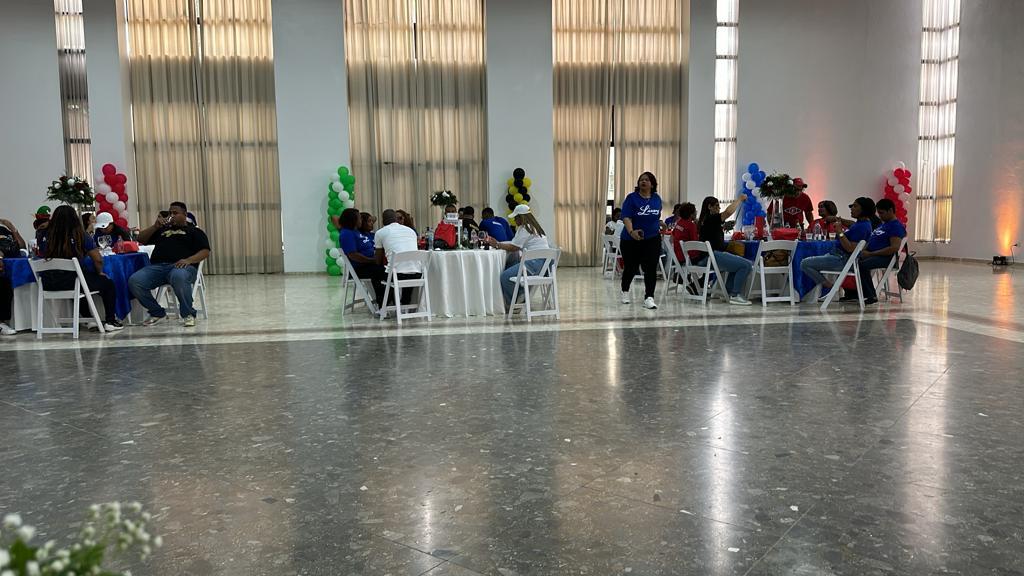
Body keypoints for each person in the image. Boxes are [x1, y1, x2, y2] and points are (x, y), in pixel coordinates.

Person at [38, 205, 123, 331]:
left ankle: (89, 319)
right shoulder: (80, 235)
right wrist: (100, 272)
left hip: (48, 282)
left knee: (80, 281)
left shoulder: (43, 234)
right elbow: (98, 259)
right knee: (106, 283)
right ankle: (110, 321)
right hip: (73, 281)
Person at [128, 201, 211, 327]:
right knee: (135, 281)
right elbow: (140, 239)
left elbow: (205, 251)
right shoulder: (162, 230)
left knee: (178, 276)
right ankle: (157, 312)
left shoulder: (194, 231)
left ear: (185, 214)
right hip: (158, 267)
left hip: (183, 267)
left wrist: (188, 260)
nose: (171, 215)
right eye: (170, 213)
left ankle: (188, 314)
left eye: (175, 213)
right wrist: (155, 226)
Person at [799, 196, 876, 301]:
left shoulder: (862, 227)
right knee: (810, 260)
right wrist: (837, 219)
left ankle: (830, 286)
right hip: (838, 255)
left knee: (804, 263)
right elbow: (852, 224)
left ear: (864, 209)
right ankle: (830, 287)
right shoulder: (862, 223)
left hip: (842, 259)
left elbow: (850, 248)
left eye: (855, 206)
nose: (851, 208)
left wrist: (839, 232)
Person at [487, 204, 551, 309]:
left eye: (516, 218)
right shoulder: (535, 227)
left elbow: (513, 247)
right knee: (512, 264)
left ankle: (513, 304)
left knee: (505, 277)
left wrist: (497, 244)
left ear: (521, 217)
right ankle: (521, 294)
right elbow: (515, 244)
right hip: (544, 265)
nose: (514, 221)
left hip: (534, 265)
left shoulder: (525, 228)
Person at [697, 195, 753, 305]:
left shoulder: (705, 220)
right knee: (746, 265)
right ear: (709, 207)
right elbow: (728, 212)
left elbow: (714, 236)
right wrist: (739, 199)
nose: (719, 209)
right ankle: (735, 295)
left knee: (736, 265)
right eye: (716, 206)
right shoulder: (711, 218)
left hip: (706, 257)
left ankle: (727, 293)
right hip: (712, 257)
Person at [618, 172, 663, 309]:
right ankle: (625, 291)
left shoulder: (657, 199)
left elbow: (654, 216)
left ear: (652, 184)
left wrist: (660, 223)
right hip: (631, 239)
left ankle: (649, 297)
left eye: (647, 180)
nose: (643, 182)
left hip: (652, 238)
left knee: (651, 268)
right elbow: (626, 217)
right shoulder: (631, 198)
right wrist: (632, 232)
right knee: (631, 267)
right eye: (641, 180)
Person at [856, 198, 907, 304]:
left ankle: (870, 295)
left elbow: (894, 248)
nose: (880, 216)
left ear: (890, 210)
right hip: (873, 254)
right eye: (878, 213)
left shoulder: (895, 226)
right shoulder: (883, 225)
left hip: (886, 257)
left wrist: (870, 254)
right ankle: (854, 292)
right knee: (851, 260)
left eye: (882, 213)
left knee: (861, 265)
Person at [374, 209, 422, 305]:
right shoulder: (411, 231)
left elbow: (378, 260)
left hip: (396, 275)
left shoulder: (380, 233)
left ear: (383, 220)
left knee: (377, 274)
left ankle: (384, 305)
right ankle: (405, 301)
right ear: (396, 219)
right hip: (417, 274)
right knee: (407, 269)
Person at [338, 208, 380, 282]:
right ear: (353, 219)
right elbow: (353, 255)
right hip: (360, 268)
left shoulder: (356, 231)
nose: (361, 220)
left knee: (390, 270)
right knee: (387, 272)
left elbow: (373, 219)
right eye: (360, 218)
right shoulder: (347, 233)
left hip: (369, 265)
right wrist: (372, 260)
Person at [0, 217, 26, 335]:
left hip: (9, 265)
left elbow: (22, 246)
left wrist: (12, 228)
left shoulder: (4, 231)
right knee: (3, 284)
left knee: (7, 283)